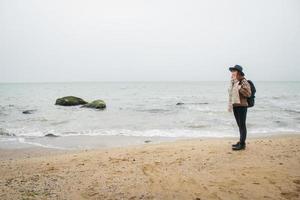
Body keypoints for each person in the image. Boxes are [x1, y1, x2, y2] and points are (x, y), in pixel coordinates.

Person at [228, 65, 252, 150]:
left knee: (242, 125)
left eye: (234, 71)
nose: (232, 72)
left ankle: (242, 144)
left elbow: (248, 93)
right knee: (239, 125)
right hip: (235, 106)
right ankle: (241, 142)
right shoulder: (234, 81)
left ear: (238, 72)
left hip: (242, 106)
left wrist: (240, 88)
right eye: (232, 71)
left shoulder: (243, 81)